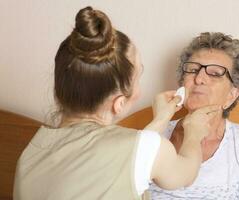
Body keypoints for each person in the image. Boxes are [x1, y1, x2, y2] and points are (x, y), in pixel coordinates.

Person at [13, 7, 221, 200]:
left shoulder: (30, 154)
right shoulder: (142, 149)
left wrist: (160, 118)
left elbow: (131, 156)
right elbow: (184, 174)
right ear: (119, 103)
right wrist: (194, 134)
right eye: (139, 76)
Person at [149, 32, 239, 199]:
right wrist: (158, 122)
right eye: (193, 70)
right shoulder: (155, 135)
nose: (199, 78)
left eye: (215, 74)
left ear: (232, 95)